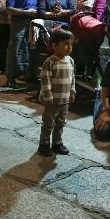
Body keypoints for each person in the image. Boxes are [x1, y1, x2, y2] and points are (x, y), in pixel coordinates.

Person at [5, 0, 45, 87]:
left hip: (34, 20)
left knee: (33, 48)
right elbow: (9, 9)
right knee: (15, 47)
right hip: (19, 20)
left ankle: (30, 75)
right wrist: (25, 11)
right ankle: (11, 77)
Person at [38, 29, 76, 157]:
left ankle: (57, 143)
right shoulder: (50, 62)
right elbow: (45, 80)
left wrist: (72, 91)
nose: (69, 47)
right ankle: (44, 144)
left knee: (60, 123)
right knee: (48, 123)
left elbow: (72, 78)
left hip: (64, 100)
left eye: (71, 44)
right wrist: (47, 95)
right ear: (54, 45)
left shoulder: (70, 61)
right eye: (65, 44)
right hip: (52, 101)